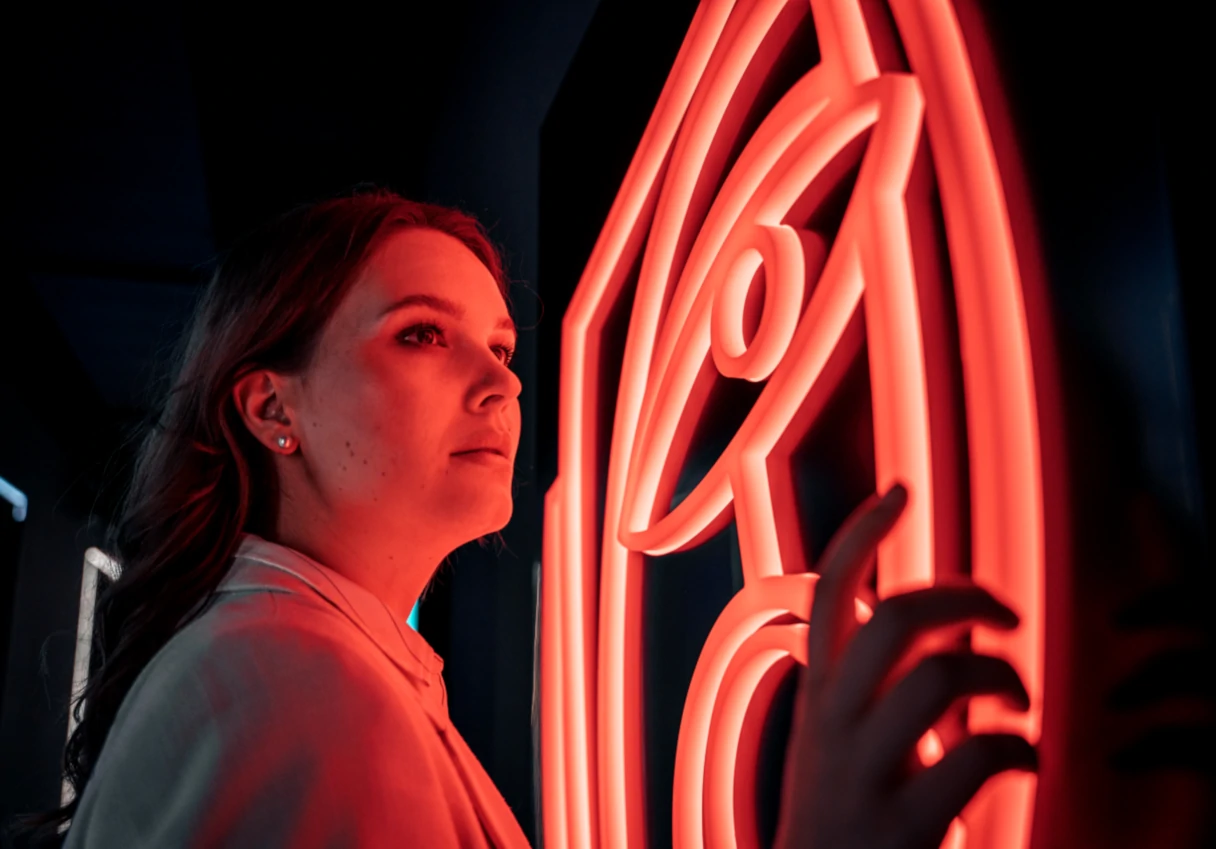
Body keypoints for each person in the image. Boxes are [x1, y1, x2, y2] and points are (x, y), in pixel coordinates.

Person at [13, 189, 1034, 848]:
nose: (499, 383)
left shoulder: (309, 664)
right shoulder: (292, 679)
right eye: (423, 335)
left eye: (500, 346)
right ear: (272, 407)